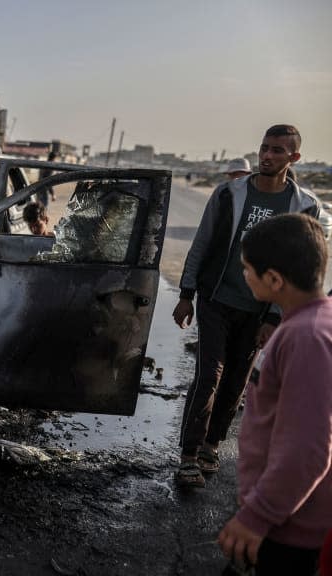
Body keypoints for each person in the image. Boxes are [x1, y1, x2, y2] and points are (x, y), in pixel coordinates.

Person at [172, 124, 324, 488]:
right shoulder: (228, 194)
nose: (267, 156)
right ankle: (189, 455)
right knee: (208, 375)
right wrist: (186, 293)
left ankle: (212, 445)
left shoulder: (305, 206)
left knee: (237, 381)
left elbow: (297, 269)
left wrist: (275, 316)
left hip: (258, 309)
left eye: (277, 151)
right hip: (216, 298)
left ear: (294, 158)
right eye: (264, 148)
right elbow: (203, 243)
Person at [217, 213, 332, 575]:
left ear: (273, 279)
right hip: (287, 514)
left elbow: (307, 449)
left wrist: (257, 516)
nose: (244, 276)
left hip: (289, 529)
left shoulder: (305, 337)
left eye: (247, 269)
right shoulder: (312, 321)